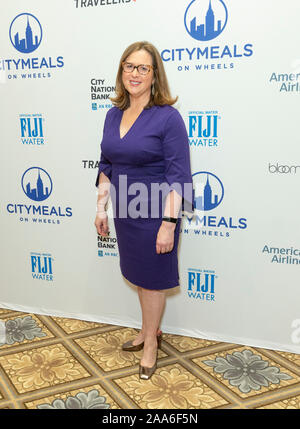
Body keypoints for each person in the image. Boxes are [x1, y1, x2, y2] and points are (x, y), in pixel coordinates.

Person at [94, 41, 194, 380]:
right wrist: (101, 208)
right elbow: (107, 163)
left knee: (152, 282)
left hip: (156, 214)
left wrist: (168, 223)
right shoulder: (112, 114)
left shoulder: (168, 117)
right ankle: (148, 329)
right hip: (126, 211)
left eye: (143, 68)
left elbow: (179, 176)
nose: (134, 74)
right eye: (129, 66)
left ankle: (150, 342)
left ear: (154, 76)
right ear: (121, 71)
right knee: (139, 277)